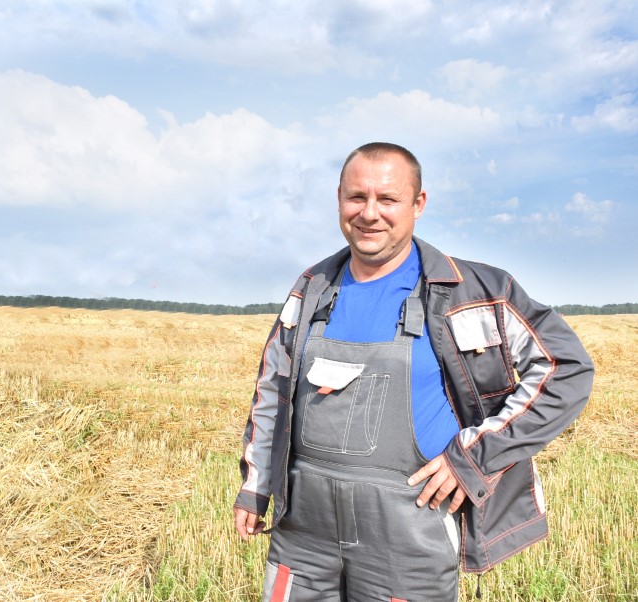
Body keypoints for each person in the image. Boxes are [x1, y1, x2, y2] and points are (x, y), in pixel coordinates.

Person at [233, 142, 594, 601]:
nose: (369, 213)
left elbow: (565, 367)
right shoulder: (311, 288)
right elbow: (272, 389)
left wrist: (475, 457)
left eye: (387, 199)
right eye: (356, 197)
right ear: (339, 199)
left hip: (410, 535)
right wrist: (257, 485)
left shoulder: (474, 291)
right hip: (303, 535)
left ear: (418, 204)